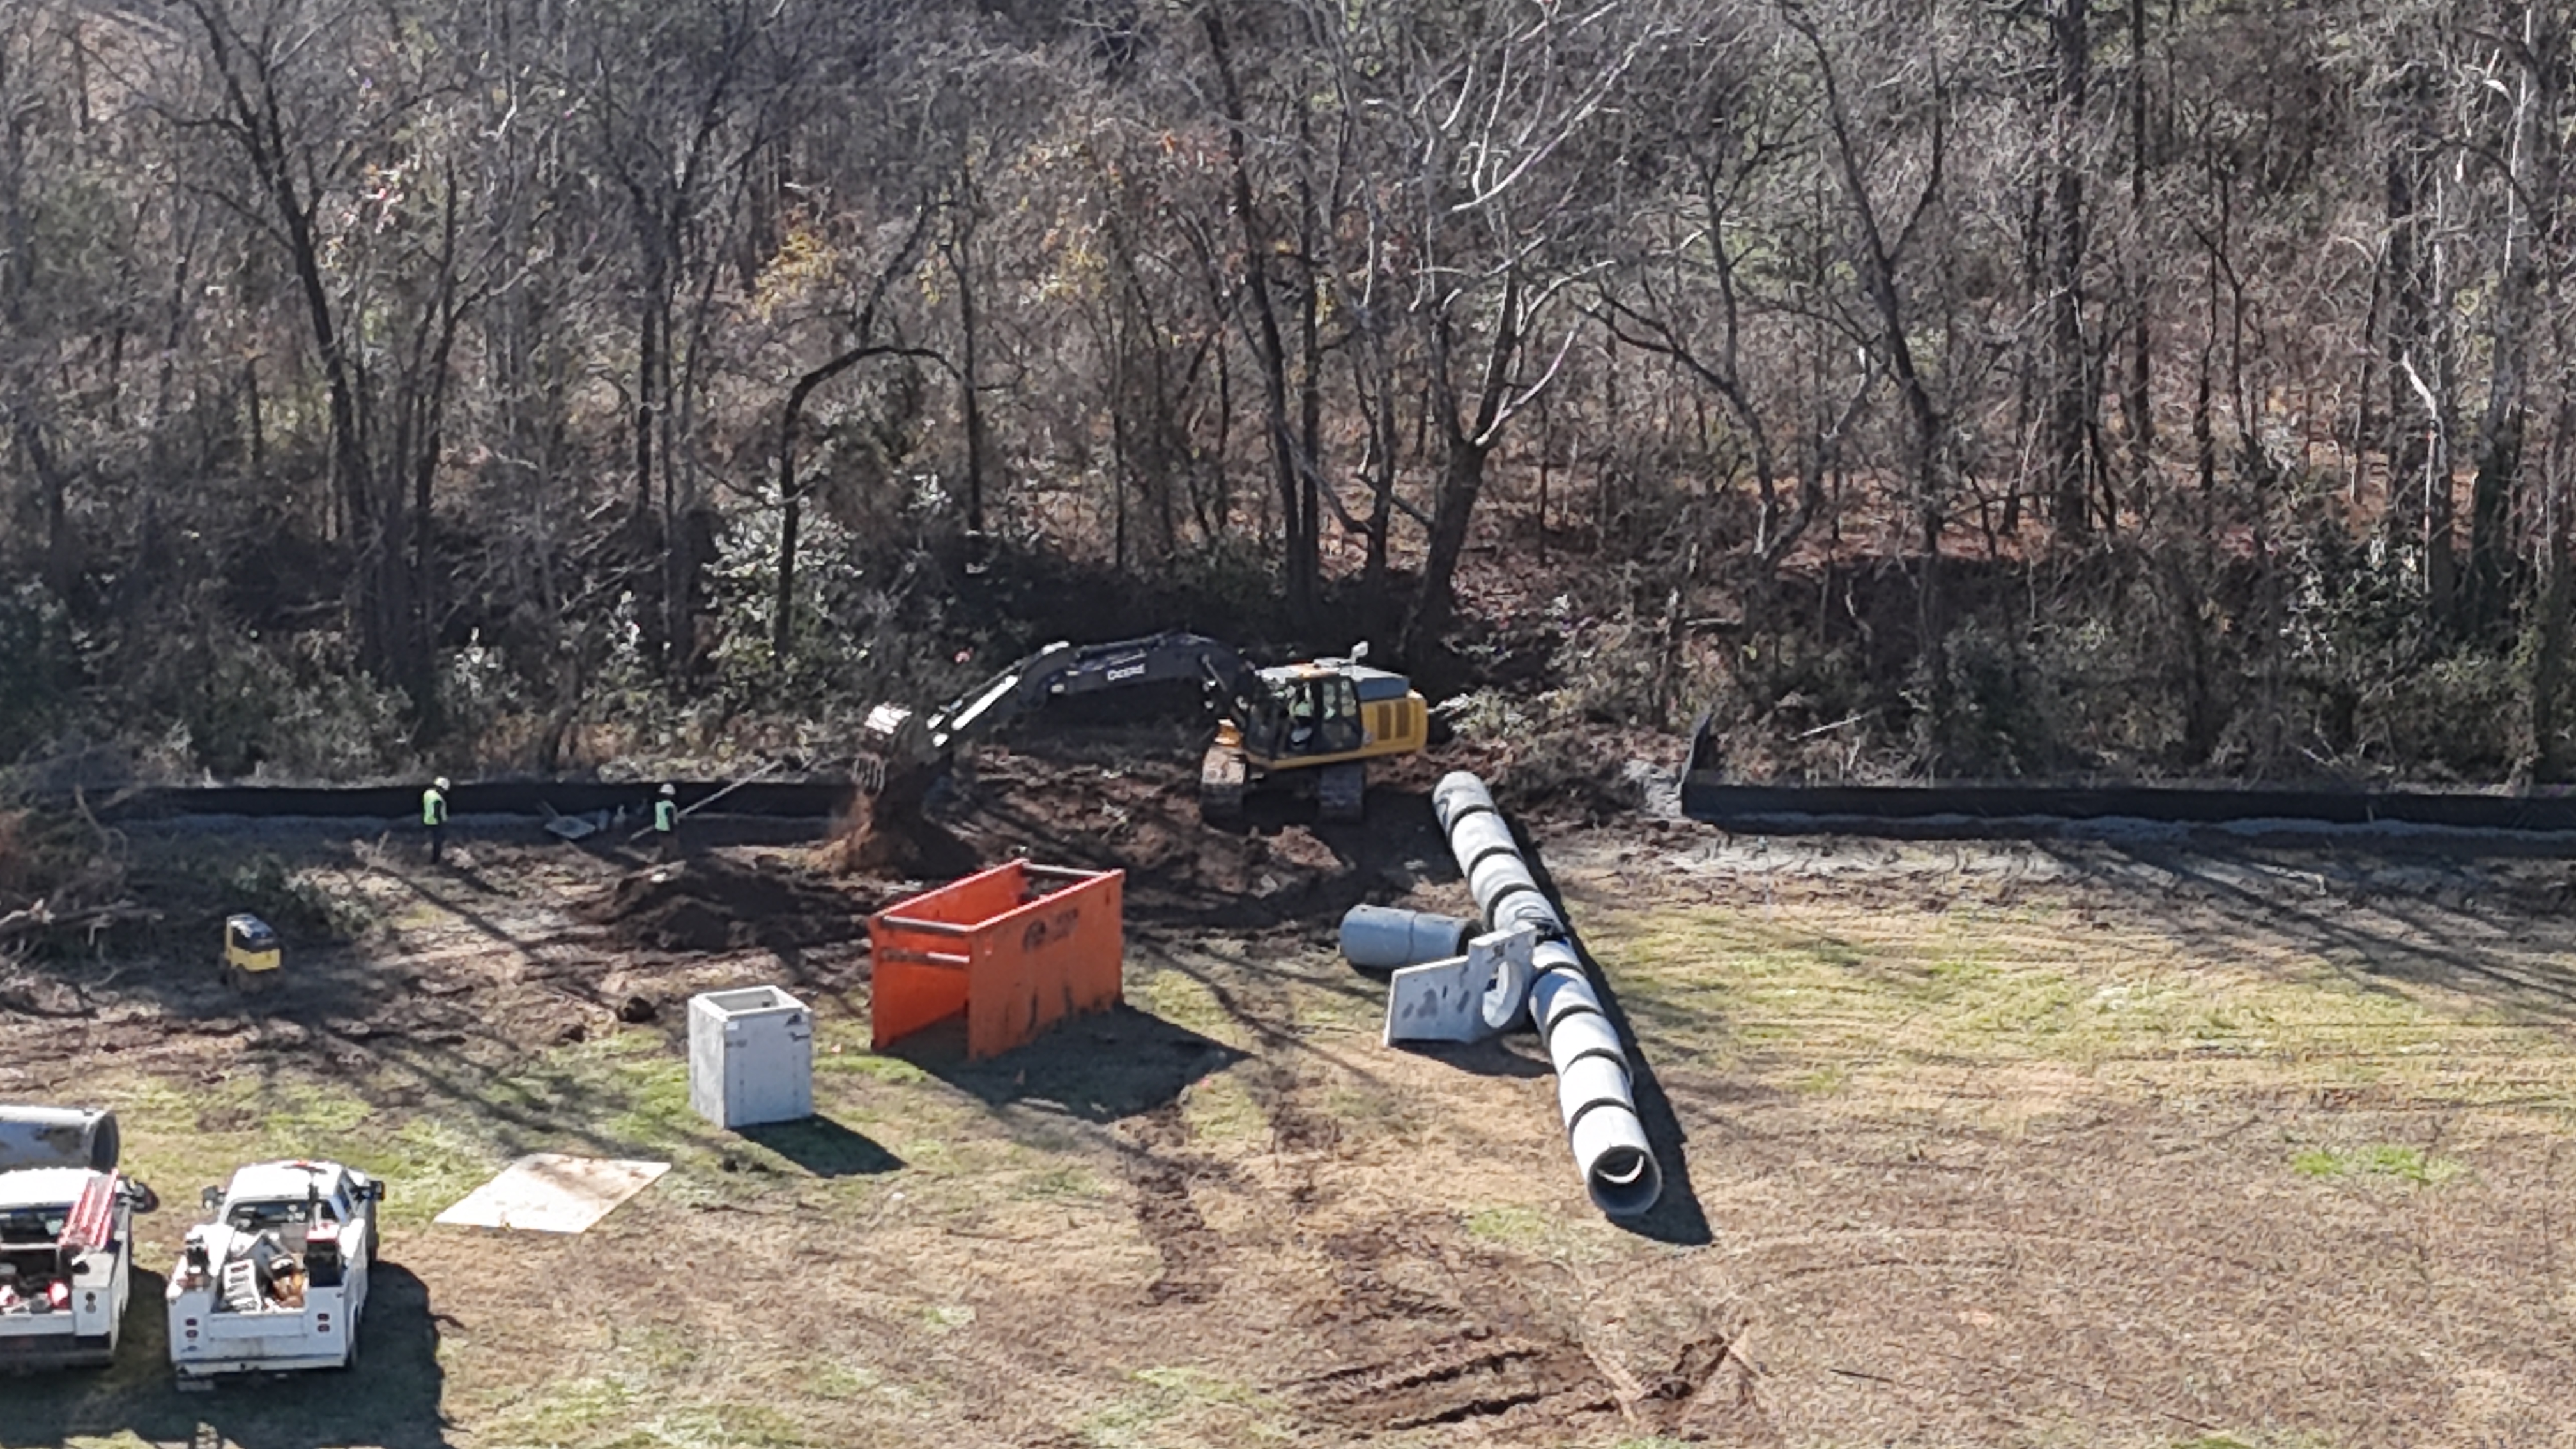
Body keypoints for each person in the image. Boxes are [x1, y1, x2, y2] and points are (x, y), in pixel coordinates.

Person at [422, 777, 450, 863]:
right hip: (436, 823)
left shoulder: (428, 793)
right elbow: (437, 813)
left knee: (432, 840)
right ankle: (435, 860)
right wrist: (442, 824)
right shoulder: (438, 800)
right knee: (438, 842)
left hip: (427, 820)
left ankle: (431, 858)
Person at [654, 783, 678, 861]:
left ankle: (661, 858)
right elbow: (670, 818)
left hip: (659, 827)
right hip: (668, 828)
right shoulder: (670, 806)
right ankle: (669, 860)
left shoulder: (658, 804)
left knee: (662, 844)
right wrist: (672, 829)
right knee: (672, 845)